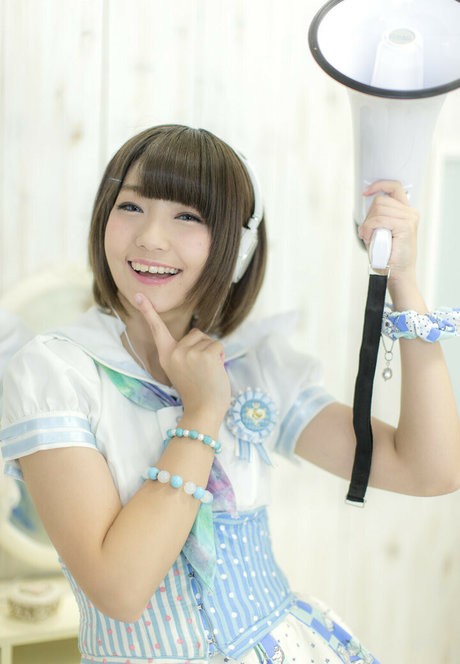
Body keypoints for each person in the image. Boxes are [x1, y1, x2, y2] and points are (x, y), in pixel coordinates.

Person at [1, 124, 459, 664]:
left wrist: (402, 279)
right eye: (131, 206)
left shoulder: (252, 365)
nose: (151, 237)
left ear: (237, 249)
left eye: (188, 216)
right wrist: (202, 411)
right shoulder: (56, 373)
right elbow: (120, 591)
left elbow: (429, 470)